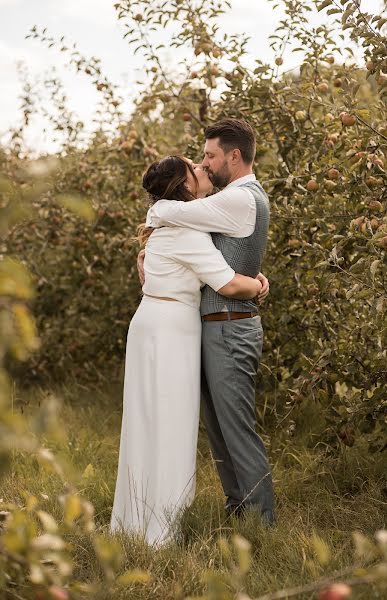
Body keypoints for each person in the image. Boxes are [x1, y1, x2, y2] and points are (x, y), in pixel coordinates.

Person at [110, 155, 266, 546]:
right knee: (171, 424)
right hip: (171, 331)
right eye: (194, 168)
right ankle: (160, 532)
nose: (203, 168)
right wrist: (260, 285)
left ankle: (133, 522)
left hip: (148, 322)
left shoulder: (167, 221)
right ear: (185, 185)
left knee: (145, 422)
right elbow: (228, 284)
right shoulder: (185, 230)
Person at [143, 118, 275, 525]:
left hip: (231, 327)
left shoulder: (239, 198)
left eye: (210, 156)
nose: (206, 163)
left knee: (236, 430)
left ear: (234, 156)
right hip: (216, 325)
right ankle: (239, 511)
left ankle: (261, 523)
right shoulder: (234, 198)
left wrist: (152, 216)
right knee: (219, 430)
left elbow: (167, 209)